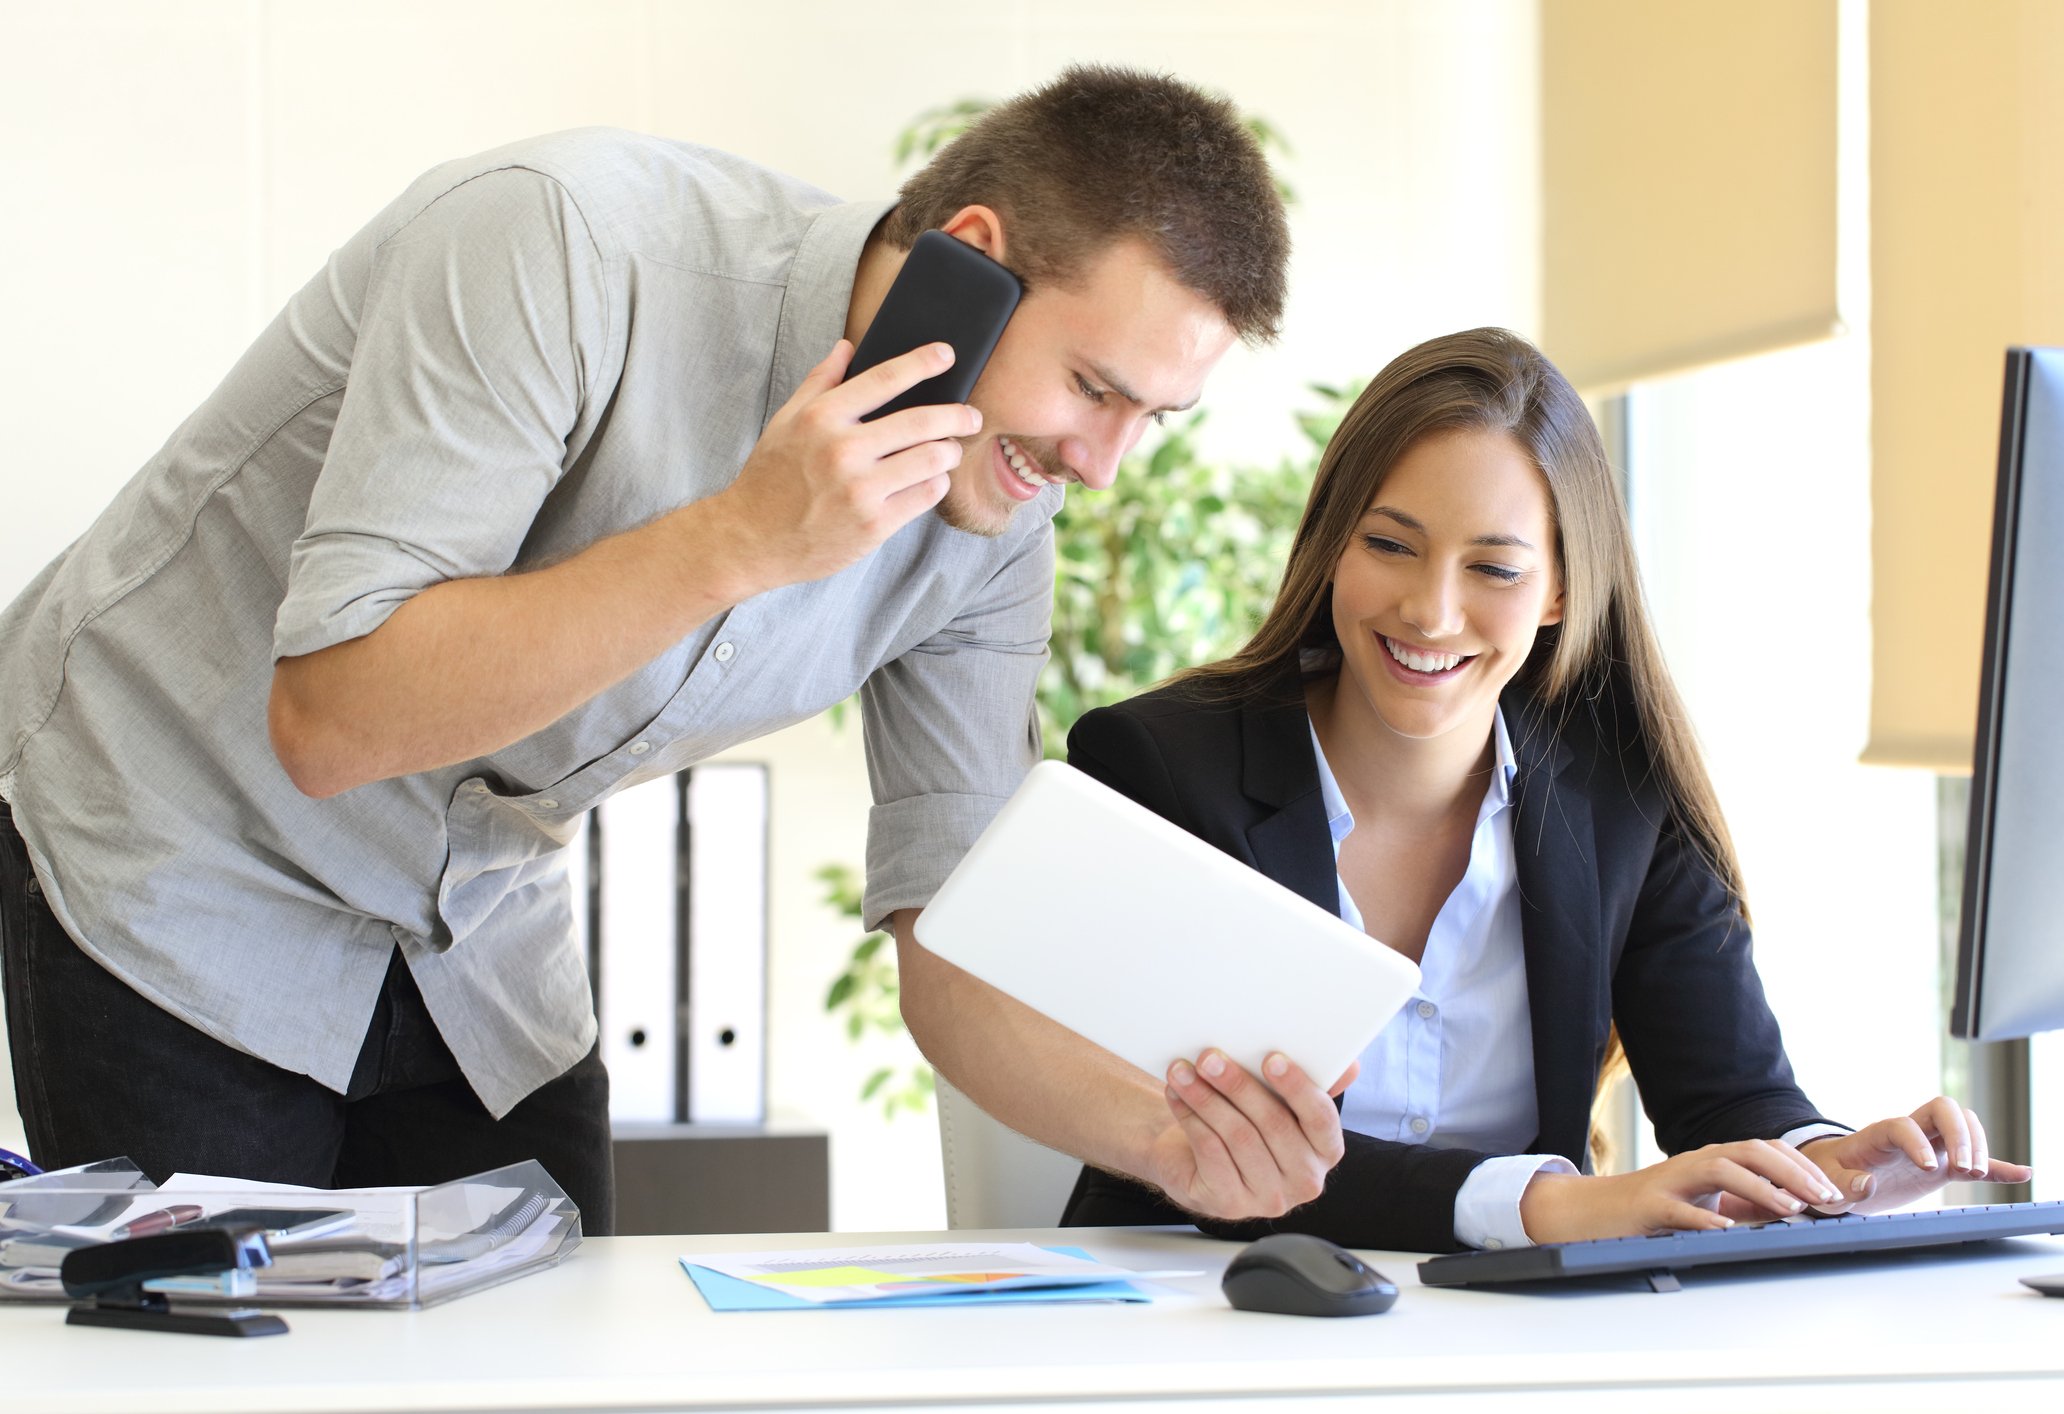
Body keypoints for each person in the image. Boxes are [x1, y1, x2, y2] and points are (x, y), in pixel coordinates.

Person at [0, 66, 1289, 1234]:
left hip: (476, 927)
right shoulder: (564, 241)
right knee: (235, 1365)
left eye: (1153, 420)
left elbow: (947, 941)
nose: (1102, 467)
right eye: (1095, 389)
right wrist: (742, 536)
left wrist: (1168, 1140)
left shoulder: (991, 531)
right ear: (973, 261)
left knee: (550, 1358)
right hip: (186, 840)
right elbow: (334, 721)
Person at [904, 327, 2030, 1252]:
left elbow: (1730, 1105)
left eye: (1493, 568)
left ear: (1556, 594)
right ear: (1335, 544)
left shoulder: (1620, 800)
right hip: (1205, 1320)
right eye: (1392, 545)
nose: (1432, 613)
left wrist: (1829, 1165)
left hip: (1501, 1341)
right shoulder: (1160, 769)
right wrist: (1551, 1204)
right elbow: (1215, 1164)